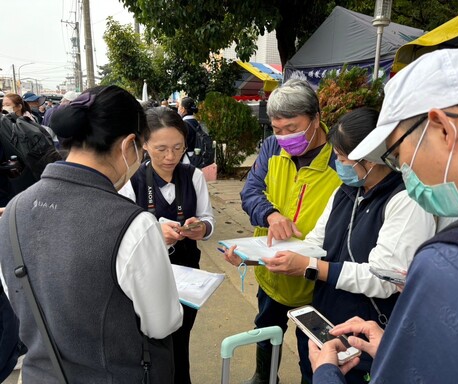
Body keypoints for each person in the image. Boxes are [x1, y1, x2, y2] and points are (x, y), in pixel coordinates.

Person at [310, 48, 458, 383]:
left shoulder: (453, 261)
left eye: (399, 156)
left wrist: (327, 374)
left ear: (443, 129)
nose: (404, 171)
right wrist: (396, 347)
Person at [226, 108, 436, 383]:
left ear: (371, 157)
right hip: (325, 324)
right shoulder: (346, 192)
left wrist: (312, 268)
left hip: (367, 338)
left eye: (342, 158)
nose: (338, 165)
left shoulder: (405, 200)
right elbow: (315, 242)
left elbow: (385, 278)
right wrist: (256, 257)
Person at [0, 85, 183, 383]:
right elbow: (162, 324)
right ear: (129, 146)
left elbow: (18, 301)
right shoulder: (133, 224)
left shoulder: (13, 211)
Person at [236, 79, 341, 383]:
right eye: (277, 129)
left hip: (316, 277)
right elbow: (251, 192)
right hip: (272, 268)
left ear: (316, 118)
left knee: (315, 345)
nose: (284, 137)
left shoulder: (340, 160)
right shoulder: (271, 148)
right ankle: (264, 376)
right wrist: (270, 214)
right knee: (267, 329)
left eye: (292, 128)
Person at [119, 106, 215, 384]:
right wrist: (151, 234)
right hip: (145, 277)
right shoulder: (130, 181)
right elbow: (120, 234)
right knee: (150, 342)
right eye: (161, 148)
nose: (171, 157)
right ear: (144, 144)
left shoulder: (193, 176)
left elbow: (208, 218)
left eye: (178, 147)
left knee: (181, 339)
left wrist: (201, 228)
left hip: (188, 275)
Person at [177, 96, 200, 163]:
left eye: (179, 106)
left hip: (186, 159)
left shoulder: (183, 125)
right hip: (197, 157)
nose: (178, 109)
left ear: (183, 109)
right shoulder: (197, 123)